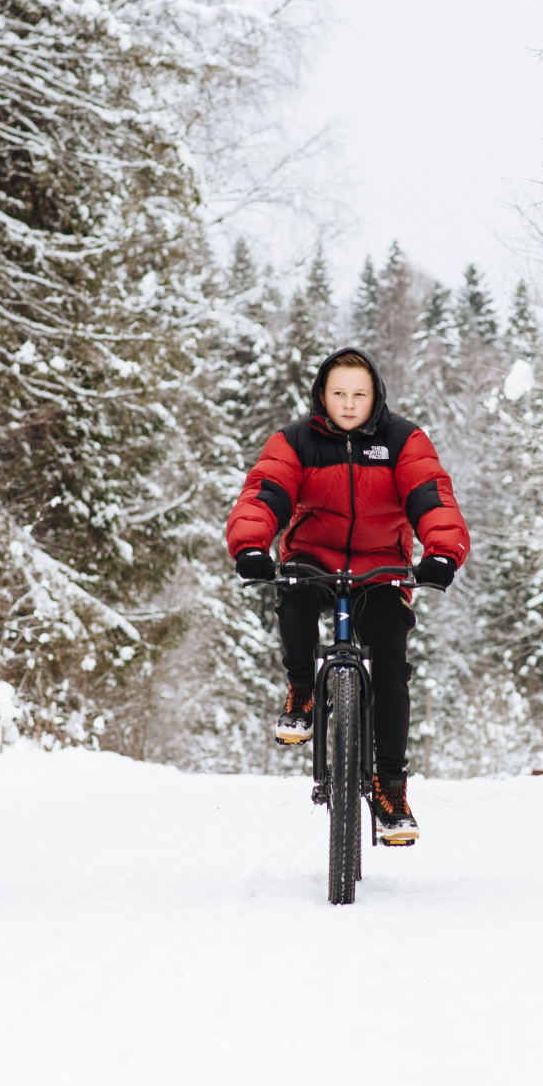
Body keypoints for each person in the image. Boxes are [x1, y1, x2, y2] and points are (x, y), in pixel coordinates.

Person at [226, 347, 470, 845]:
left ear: (375, 395)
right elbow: (266, 492)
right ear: (322, 394)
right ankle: (303, 690)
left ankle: (391, 789)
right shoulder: (294, 441)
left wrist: (442, 552)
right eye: (339, 393)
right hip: (314, 556)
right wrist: (252, 545)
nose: (349, 403)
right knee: (292, 595)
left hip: (381, 567)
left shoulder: (405, 440)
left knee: (391, 659)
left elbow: (430, 495)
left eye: (359, 394)